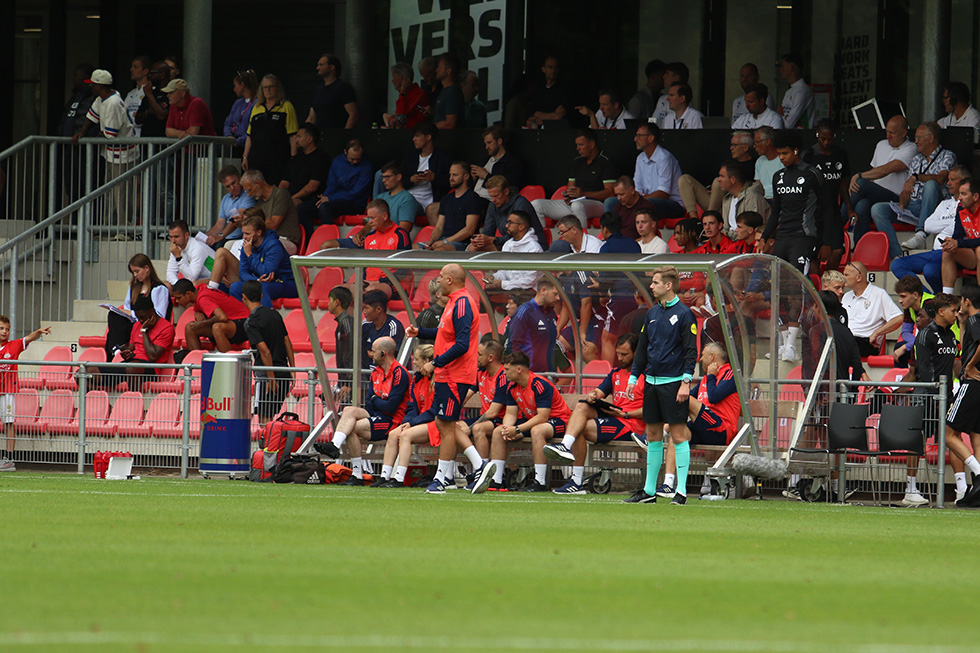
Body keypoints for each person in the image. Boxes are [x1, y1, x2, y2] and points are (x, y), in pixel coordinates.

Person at [405, 264, 495, 494]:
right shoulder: (455, 302)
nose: (438, 280)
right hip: (449, 374)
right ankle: (478, 464)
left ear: (450, 280)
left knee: (445, 425)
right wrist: (421, 332)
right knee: (443, 423)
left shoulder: (463, 303)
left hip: (456, 375)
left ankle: (441, 479)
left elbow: (462, 344)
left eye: (441, 277)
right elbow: (446, 333)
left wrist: (435, 363)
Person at [623, 266, 697, 505]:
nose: (651, 286)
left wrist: (686, 382)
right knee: (653, 434)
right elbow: (643, 348)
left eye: (655, 282)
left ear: (669, 286)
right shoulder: (652, 313)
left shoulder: (685, 314)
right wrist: (634, 378)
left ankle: (682, 491)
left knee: (677, 434)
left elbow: (691, 352)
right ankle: (648, 491)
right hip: (651, 384)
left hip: (674, 384)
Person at [543, 333, 646, 494]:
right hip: (615, 418)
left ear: (636, 353)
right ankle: (565, 446)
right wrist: (593, 395)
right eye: (618, 353)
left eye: (624, 354)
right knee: (582, 406)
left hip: (630, 425)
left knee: (580, 428)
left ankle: (576, 482)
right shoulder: (616, 373)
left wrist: (626, 414)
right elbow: (600, 390)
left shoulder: (646, 376)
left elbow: (650, 410)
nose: (620, 358)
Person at [314, 337, 409, 484]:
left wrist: (375, 400)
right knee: (349, 410)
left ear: (383, 354)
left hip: (392, 421)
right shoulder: (375, 373)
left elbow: (391, 407)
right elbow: (368, 401)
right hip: (376, 414)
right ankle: (335, 445)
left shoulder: (399, 374)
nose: (371, 354)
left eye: (374, 351)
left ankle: (357, 475)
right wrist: (377, 400)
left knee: (350, 428)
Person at [657, 342, 741, 498]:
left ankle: (661, 431)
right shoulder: (705, 379)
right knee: (677, 434)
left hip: (721, 429)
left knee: (686, 400)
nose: (700, 358)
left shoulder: (730, 375)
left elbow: (714, 397)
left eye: (703, 355)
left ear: (712, 357)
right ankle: (668, 484)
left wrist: (710, 376)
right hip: (703, 426)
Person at [903, 293, 960, 506]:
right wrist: (934, 394)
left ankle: (961, 488)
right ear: (941, 311)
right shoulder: (925, 335)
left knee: (953, 438)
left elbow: (954, 363)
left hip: (947, 396)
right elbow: (924, 368)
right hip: (928, 395)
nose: (957, 313)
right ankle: (910, 489)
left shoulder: (951, 336)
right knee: (917, 441)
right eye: (953, 310)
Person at [488, 351, 572, 491]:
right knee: (498, 432)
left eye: (507, 370)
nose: (504, 373)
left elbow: (542, 417)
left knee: (537, 430)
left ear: (519, 369)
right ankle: (496, 480)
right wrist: (507, 428)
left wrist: (518, 429)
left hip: (559, 421)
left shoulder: (539, 384)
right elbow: (510, 413)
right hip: (533, 422)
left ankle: (540, 482)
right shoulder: (512, 386)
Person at [890, 165, 970, 293]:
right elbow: (928, 226)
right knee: (899, 265)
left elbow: (957, 229)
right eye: (948, 179)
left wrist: (943, 223)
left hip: (954, 253)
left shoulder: (968, 204)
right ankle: (928, 299)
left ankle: (937, 301)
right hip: (936, 253)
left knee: (929, 270)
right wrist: (950, 222)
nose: (948, 183)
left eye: (952, 180)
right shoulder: (944, 204)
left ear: (964, 181)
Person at [72, 69, 138, 224]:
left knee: (121, 193)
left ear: (100, 86)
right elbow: (91, 116)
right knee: (109, 192)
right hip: (111, 153)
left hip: (123, 155)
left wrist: (99, 135)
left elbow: (110, 134)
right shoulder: (102, 98)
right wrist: (82, 132)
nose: (91, 87)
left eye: (93, 85)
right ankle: (109, 227)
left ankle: (123, 229)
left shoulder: (113, 102)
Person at [880, 123, 957, 254]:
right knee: (878, 209)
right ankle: (895, 252)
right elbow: (908, 188)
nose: (915, 142)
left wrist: (916, 177)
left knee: (931, 184)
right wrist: (903, 200)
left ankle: (921, 233)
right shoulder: (916, 160)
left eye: (918, 138)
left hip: (936, 207)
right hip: (915, 205)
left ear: (931, 138)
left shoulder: (947, 156)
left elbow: (940, 179)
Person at [847, 115, 917, 246]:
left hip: (896, 198)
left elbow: (886, 170)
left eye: (892, 133)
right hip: (876, 193)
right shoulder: (881, 144)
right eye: (887, 132)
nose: (888, 136)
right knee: (862, 204)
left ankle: (838, 220)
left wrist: (859, 175)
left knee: (861, 183)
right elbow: (873, 174)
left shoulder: (911, 148)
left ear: (904, 133)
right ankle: (859, 247)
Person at [760, 131, 823, 274]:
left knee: (797, 280)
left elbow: (826, 207)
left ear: (795, 151)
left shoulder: (811, 173)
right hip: (782, 236)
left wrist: (824, 242)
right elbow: (776, 211)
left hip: (803, 236)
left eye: (785, 153)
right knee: (777, 279)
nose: (781, 158)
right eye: (779, 154)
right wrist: (765, 236)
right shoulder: (778, 176)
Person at [324, 199, 411, 297]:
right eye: (368, 218)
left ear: (385, 216)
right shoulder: (369, 237)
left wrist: (380, 282)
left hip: (393, 284)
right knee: (338, 292)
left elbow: (405, 269)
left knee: (370, 292)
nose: (370, 222)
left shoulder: (400, 235)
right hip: (369, 283)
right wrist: (363, 282)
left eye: (372, 218)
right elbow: (365, 266)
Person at [530, 128, 615, 229]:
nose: (577, 148)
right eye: (577, 145)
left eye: (581, 145)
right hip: (574, 202)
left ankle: (582, 241)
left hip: (597, 204)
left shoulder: (605, 162)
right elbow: (570, 187)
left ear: (592, 145)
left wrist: (584, 194)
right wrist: (568, 195)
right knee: (536, 204)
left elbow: (610, 192)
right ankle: (542, 240)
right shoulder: (577, 162)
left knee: (577, 205)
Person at [0, 319, 51, 471]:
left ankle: (9, 459)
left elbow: (28, 338)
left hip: (7, 391)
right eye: (1, 328)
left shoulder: (13, 346)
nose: (4, 332)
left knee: (9, 423)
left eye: (7, 329)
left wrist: (39, 332)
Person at [241, 280, 295, 424]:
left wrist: (271, 377)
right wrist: (293, 369)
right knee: (271, 416)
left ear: (243, 297)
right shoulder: (275, 315)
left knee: (265, 419)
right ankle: (271, 445)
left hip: (267, 376)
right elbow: (287, 342)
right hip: (283, 372)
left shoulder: (251, 322)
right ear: (261, 295)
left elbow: (264, 351)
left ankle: (268, 446)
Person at [946, 285, 980, 506]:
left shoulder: (975, 321)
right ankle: (976, 490)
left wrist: (970, 365)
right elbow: (968, 343)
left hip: (972, 383)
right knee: (977, 436)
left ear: (967, 301)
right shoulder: (969, 322)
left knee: (948, 433)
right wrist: (960, 322)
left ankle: (978, 473)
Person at [802, 119, 851, 271]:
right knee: (815, 254)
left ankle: (829, 282)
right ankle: (818, 289)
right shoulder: (809, 155)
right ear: (817, 135)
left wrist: (849, 208)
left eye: (829, 138)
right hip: (814, 211)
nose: (826, 141)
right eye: (823, 138)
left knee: (837, 251)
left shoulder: (840, 154)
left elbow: (843, 183)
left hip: (833, 210)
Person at [104, 253, 172, 362]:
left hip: (150, 325)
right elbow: (127, 306)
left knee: (115, 330)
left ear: (146, 268)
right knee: (114, 315)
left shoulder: (159, 288)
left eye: (137, 271)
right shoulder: (134, 286)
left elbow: (159, 314)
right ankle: (116, 350)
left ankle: (116, 351)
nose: (135, 275)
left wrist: (133, 314)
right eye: (133, 273)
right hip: (135, 323)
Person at [677, 131, 756, 220]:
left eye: (734, 145)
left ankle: (709, 219)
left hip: (733, 203)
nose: (731, 148)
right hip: (716, 203)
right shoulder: (730, 163)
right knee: (684, 179)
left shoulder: (755, 164)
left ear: (745, 147)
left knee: (717, 182)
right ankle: (695, 221)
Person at [228, 214, 297, 308]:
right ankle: (241, 319)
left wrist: (250, 255)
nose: (244, 237)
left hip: (285, 282)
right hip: (261, 282)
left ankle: (265, 320)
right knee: (235, 287)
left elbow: (266, 272)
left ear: (259, 232)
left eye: (248, 234)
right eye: (243, 233)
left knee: (260, 288)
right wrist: (256, 280)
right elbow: (243, 272)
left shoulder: (273, 245)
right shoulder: (247, 245)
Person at [242, 74, 298, 185]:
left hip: (277, 158)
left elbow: (292, 135)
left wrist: (293, 158)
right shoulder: (256, 107)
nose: (268, 90)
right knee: (256, 189)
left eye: (271, 87)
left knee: (275, 191)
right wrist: (245, 157)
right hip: (256, 159)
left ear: (277, 88)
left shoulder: (286, 106)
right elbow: (249, 135)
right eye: (265, 87)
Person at [113, 294, 176, 389]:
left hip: (150, 368)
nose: (141, 321)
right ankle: (104, 403)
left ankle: (135, 402)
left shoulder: (167, 328)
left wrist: (144, 331)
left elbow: (153, 356)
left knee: (131, 368)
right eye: (138, 318)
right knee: (89, 371)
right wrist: (126, 352)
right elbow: (132, 347)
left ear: (152, 311)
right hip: (132, 363)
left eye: (143, 317)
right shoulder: (136, 325)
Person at [170, 279, 250, 352]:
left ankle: (226, 362)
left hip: (245, 322)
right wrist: (197, 311)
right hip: (231, 323)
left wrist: (202, 323)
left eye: (179, 298)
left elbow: (222, 317)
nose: (177, 301)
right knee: (190, 328)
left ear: (188, 293)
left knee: (217, 328)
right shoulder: (199, 289)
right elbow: (200, 301)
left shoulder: (202, 299)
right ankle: (195, 361)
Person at [841, 261, 903, 356]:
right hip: (847, 340)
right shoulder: (846, 296)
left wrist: (876, 333)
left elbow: (899, 318)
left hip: (865, 343)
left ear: (858, 277)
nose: (843, 278)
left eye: (846, 275)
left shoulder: (879, 294)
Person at [281, 122, 329, 240]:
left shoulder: (320, 157)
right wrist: (278, 196)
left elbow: (312, 187)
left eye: (299, 136)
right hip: (292, 198)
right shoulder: (295, 159)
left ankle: (307, 242)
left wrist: (292, 199)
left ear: (309, 139)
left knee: (299, 207)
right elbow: (284, 182)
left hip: (312, 201)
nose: (296, 140)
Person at [470, 176, 541, 251]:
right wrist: (480, 240)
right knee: (473, 247)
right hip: (509, 243)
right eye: (491, 197)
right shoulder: (493, 205)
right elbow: (488, 231)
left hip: (527, 244)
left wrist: (493, 240)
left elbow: (517, 234)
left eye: (496, 196)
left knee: (475, 249)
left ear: (506, 191)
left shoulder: (521, 203)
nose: (493, 200)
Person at [423, 162, 483, 250]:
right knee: (412, 248)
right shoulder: (446, 198)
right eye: (450, 175)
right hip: (444, 240)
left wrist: (445, 241)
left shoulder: (472, 198)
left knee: (439, 250)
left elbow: (469, 229)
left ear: (466, 176)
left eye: (455, 175)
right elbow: (439, 227)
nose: (451, 178)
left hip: (463, 242)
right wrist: (431, 241)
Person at [631, 123, 684, 222]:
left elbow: (663, 194)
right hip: (647, 201)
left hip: (673, 204)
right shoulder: (640, 158)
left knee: (649, 204)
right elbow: (637, 188)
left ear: (650, 138)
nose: (635, 139)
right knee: (612, 202)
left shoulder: (664, 157)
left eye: (639, 136)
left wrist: (638, 201)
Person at [240, 169, 302, 254]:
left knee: (250, 248)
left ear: (257, 184)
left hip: (285, 240)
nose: (248, 194)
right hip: (266, 239)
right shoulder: (259, 202)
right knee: (230, 245)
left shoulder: (280, 194)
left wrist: (250, 219)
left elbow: (273, 224)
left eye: (249, 190)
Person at [466, 339, 509, 461]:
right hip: (485, 419)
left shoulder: (503, 377)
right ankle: (450, 474)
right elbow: (466, 396)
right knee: (452, 427)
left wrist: (468, 429)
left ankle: (482, 470)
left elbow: (493, 413)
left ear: (491, 357)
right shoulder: (481, 373)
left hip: (501, 420)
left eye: (479, 354)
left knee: (477, 429)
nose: (477, 357)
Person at [402, 122, 452, 225]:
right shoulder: (411, 158)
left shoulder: (443, 158)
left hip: (423, 203)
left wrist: (434, 178)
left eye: (417, 136)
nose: (414, 139)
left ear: (428, 137)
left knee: (404, 203)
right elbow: (399, 181)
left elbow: (452, 181)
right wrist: (411, 180)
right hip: (406, 196)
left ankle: (399, 236)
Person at [315, 137, 372, 226]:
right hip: (336, 199)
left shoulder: (366, 167)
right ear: (345, 152)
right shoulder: (337, 161)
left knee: (325, 207)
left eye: (358, 159)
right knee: (303, 208)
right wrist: (326, 196)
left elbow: (355, 193)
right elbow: (331, 184)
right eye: (352, 159)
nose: (355, 161)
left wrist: (330, 198)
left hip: (355, 203)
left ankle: (329, 238)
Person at [482, 210, 543, 291]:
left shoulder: (534, 248)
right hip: (509, 290)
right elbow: (503, 271)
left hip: (529, 293)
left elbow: (529, 281)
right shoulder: (507, 244)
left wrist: (502, 284)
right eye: (507, 222)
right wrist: (493, 277)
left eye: (510, 223)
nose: (507, 226)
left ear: (521, 227)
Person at [508, 278, 560, 373]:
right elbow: (513, 345)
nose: (558, 298)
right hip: (530, 375)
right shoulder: (525, 311)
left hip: (548, 375)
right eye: (555, 294)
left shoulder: (551, 313)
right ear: (543, 291)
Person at [940, 177, 980, 293]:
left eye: (963, 194)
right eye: (959, 194)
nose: (959, 198)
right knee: (948, 250)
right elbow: (957, 235)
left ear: (975, 196)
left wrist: (959, 243)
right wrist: (951, 243)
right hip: (973, 256)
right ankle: (947, 298)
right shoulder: (961, 208)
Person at [204, 166, 256, 247]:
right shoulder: (225, 198)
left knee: (219, 246)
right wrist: (204, 238)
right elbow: (219, 224)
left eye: (234, 183)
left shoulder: (248, 195)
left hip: (240, 237)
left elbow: (236, 220)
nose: (232, 188)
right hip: (226, 237)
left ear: (240, 178)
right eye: (228, 186)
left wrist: (220, 236)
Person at [717, 159, 771, 233]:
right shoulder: (726, 199)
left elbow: (753, 230)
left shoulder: (752, 197)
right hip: (731, 242)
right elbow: (726, 228)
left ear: (733, 179)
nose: (718, 180)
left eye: (722, 176)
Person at [307, 53, 358, 130]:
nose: (317, 68)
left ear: (331, 67)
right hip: (320, 136)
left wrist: (345, 135)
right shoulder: (318, 90)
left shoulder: (343, 87)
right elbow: (311, 118)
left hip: (336, 135)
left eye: (321, 65)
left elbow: (353, 114)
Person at [471, 126, 523, 200]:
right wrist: (474, 178)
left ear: (499, 141)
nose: (486, 147)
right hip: (475, 197)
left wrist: (486, 176)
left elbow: (509, 188)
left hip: (490, 201)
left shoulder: (512, 162)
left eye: (489, 143)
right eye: (485, 144)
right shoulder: (485, 160)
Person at [361, 290, 405, 366]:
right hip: (367, 374)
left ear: (378, 309)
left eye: (366, 308)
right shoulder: (365, 325)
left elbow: (392, 356)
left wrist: (371, 353)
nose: (364, 312)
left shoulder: (393, 327)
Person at [374, 162, 421, 232]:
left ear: (398, 177)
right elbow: (369, 222)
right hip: (372, 239)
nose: (383, 181)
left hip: (390, 241)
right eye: (383, 177)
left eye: (387, 177)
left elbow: (402, 231)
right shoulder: (380, 197)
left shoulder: (407, 199)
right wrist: (361, 233)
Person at [166, 219, 215, 286]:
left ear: (186, 235)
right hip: (196, 281)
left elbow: (191, 278)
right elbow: (170, 273)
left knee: (192, 285)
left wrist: (178, 258)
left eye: (176, 237)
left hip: (214, 281)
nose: (173, 241)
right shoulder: (176, 249)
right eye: (171, 237)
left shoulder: (197, 248)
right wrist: (178, 285)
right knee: (167, 285)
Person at [325, 286, 354, 401]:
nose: (328, 304)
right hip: (344, 381)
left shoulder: (346, 323)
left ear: (337, 302)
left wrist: (349, 383)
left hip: (349, 384)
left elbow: (350, 354)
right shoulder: (342, 322)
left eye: (329, 300)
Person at [383, 62, 431, 129]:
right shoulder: (404, 94)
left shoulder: (419, 93)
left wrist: (403, 94)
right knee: (385, 115)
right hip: (405, 132)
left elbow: (400, 117)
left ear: (402, 78)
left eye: (393, 77)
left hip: (415, 132)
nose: (392, 81)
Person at [525, 55, 569, 128]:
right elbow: (532, 115)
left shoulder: (564, 90)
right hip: (538, 133)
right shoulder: (537, 90)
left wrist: (541, 119)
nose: (553, 70)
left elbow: (559, 116)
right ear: (543, 69)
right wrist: (553, 115)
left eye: (556, 67)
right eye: (550, 67)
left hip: (557, 131)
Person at [776, 53, 815, 129]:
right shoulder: (789, 92)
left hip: (802, 137)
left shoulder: (802, 92)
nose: (780, 70)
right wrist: (784, 116)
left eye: (782, 66)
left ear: (791, 68)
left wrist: (780, 115)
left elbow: (787, 125)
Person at [134, 61, 171, 138]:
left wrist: (150, 96)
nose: (149, 76)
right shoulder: (151, 92)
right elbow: (137, 119)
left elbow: (161, 116)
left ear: (162, 75)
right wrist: (149, 111)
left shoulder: (170, 94)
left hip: (163, 143)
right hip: (146, 142)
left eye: (152, 73)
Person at [223, 68, 258, 149]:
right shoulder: (237, 103)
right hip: (234, 145)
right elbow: (228, 122)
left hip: (247, 146)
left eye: (235, 86)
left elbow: (253, 130)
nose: (234, 89)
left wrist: (238, 141)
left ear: (242, 85)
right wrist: (228, 136)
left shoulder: (257, 104)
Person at [432, 52, 464, 130]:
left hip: (449, 139)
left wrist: (431, 127)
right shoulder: (445, 91)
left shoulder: (453, 92)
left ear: (449, 71)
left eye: (440, 67)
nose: (436, 70)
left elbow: (450, 124)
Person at [123, 56, 152, 137]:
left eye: (135, 67)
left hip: (143, 139)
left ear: (145, 71)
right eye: (132, 67)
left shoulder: (152, 92)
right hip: (129, 141)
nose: (131, 70)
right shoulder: (130, 94)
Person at [753, 126, 783, 200]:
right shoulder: (760, 161)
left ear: (767, 141)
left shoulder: (783, 160)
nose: (754, 146)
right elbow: (758, 187)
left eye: (756, 142)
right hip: (762, 201)